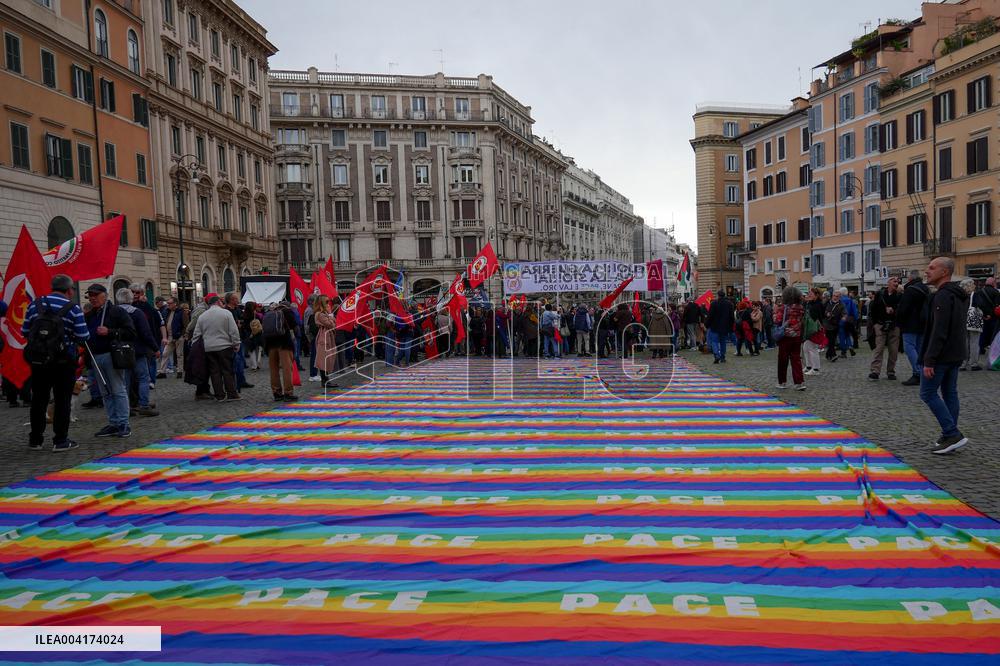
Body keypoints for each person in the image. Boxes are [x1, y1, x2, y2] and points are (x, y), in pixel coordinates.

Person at [22, 274, 90, 451]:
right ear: (68, 290)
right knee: (62, 400)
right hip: (64, 362)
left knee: (39, 399)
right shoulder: (73, 308)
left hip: (39, 361)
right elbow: (83, 336)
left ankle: (35, 440)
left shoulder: (35, 304)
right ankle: (60, 440)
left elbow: (25, 331)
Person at [919, 257, 970, 454]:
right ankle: (949, 435)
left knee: (928, 393)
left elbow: (938, 330)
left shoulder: (941, 296)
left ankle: (952, 432)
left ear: (944, 273)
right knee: (950, 393)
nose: (927, 271)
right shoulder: (959, 294)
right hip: (955, 353)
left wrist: (929, 359)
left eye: (932, 268)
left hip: (941, 355)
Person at [84, 283, 135, 438]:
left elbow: (131, 332)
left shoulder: (116, 311)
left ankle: (123, 423)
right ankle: (113, 423)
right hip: (96, 356)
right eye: (90, 295)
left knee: (118, 390)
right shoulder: (89, 315)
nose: (92, 298)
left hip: (112, 355)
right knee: (105, 392)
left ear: (104, 295)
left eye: (95, 295)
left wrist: (110, 332)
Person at [115, 288, 159, 417]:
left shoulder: (114, 312)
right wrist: (155, 348)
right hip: (137, 350)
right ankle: (143, 405)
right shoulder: (137, 313)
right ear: (130, 298)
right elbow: (146, 333)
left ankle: (127, 406)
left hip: (120, 351)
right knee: (143, 378)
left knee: (126, 379)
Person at [192, 294, 241, 401]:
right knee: (227, 371)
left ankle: (219, 395)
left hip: (209, 347)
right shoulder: (226, 313)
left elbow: (196, 334)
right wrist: (236, 343)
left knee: (215, 372)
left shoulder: (203, 316)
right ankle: (232, 394)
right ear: (218, 302)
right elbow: (233, 330)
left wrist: (195, 346)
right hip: (224, 346)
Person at [896, 269, 930, 386]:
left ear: (910, 278)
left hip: (910, 324)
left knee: (909, 348)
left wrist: (899, 321)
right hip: (923, 323)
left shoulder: (910, 290)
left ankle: (918, 373)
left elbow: (903, 309)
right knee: (920, 349)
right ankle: (923, 372)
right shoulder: (926, 289)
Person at [130, 284, 164, 390]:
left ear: (142, 294)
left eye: (137, 292)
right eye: (133, 292)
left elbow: (159, 324)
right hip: (135, 342)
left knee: (150, 362)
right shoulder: (128, 307)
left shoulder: (149, 308)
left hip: (148, 340)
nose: (135, 295)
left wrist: (160, 340)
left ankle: (151, 381)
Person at [868, 276, 902, 381]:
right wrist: (875, 324)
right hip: (881, 324)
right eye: (894, 281)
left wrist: (894, 311)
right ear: (888, 283)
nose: (896, 283)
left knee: (893, 350)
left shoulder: (900, 296)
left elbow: (903, 310)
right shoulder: (880, 294)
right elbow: (872, 308)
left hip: (894, 325)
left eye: (897, 282)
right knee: (879, 349)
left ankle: (891, 371)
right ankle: (875, 371)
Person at [263, 302, 298, 401]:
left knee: (274, 370)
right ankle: (288, 393)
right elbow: (295, 326)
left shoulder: (270, 313)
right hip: (284, 343)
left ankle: (276, 392)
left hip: (270, 344)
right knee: (287, 368)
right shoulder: (287, 311)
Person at [774, 287, 806, 390]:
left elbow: (777, 320)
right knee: (796, 359)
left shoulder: (783, 307)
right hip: (796, 335)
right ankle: (799, 382)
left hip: (785, 336)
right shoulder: (800, 307)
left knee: (783, 359)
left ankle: (782, 382)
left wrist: (774, 314)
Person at [157, 298, 188, 379]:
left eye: (170, 303)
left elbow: (185, 325)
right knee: (165, 353)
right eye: (167, 303)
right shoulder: (167, 311)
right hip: (170, 337)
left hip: (178, 336)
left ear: (175, 303)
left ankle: (180, 371)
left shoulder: (181, 312)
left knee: (179, 354)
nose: (168, 305)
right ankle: (162, 372)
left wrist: (182, 334)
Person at [973, 277, 1000, 367]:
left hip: (982, 316)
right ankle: (993, 351)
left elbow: (978, 305)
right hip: (993, 317)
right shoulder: (996, 292)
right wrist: (991, 315)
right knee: (993, 334)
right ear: (993, 283)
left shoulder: (979, 292)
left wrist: (984, 315)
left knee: (982, 333)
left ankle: (981, 349)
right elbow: (997, 306)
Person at [960, 279, 984, 371]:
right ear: (970, 285)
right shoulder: (975, 295)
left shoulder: (960, 295)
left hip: (962, 321)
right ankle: (973, 363)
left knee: (964, 342)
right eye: (973, 284)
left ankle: (963, 363)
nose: (974, 285)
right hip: (973, 322)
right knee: (974, 342)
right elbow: (980, 305)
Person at [705, 290, 735, 364]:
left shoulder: (714, 303)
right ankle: (722, 356)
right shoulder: (729, 304)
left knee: (714, 341)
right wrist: (731, 326)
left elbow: (710, 316)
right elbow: (731, 317)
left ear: (718, 295)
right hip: (725, 326)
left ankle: (716, 355)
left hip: (714, 326)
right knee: (723, 342)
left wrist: (707, 324)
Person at [802, 288, 826, 375]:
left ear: (816, 295)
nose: (809, 295)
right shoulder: (811, 303)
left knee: (812, 348)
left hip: (815, 329)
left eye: (811, 294)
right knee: (805, 347)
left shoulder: (818, 305)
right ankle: (809, 366)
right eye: (809, 293)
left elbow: (815, 317)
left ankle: (815, 369)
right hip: (810, 328)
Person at [822, 291, 845, 362]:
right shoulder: (827, 303)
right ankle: (833, 355)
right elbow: (822, 311)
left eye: (837, 296)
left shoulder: (841, 304)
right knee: (831, 340)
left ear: (840, 297)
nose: (835, 297)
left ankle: (828, 354)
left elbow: (844, 313)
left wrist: (844, 317)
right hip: (827, 324)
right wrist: (826, 313)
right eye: (834, 296)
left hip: (835, 324)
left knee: (832, 340)